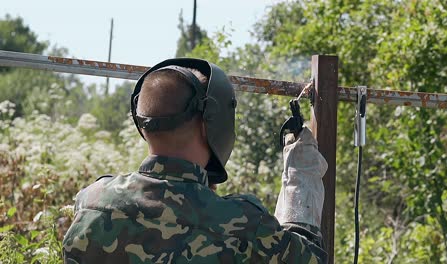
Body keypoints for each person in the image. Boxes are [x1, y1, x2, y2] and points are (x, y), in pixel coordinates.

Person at [63, 58, 328, 263]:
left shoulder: (92, 202)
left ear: (142, 124)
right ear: (210, 121)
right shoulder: (243, 225)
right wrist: (300, 179)